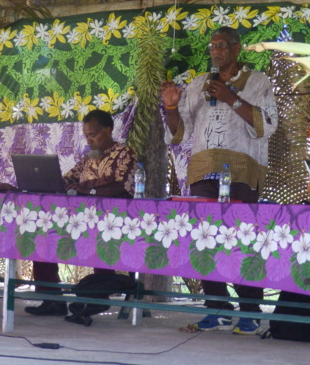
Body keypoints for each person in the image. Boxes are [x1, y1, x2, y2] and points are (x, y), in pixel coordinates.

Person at [161, 26, 278, 335]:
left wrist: (231, 98)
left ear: (237, 49)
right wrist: (171, 107)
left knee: (241, 242)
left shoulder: (258, 83)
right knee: (203, 241)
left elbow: (267, 126)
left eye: (223, 45)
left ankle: (250, 313)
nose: (216, 50)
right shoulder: (200, 83)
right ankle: (217, 309)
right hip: (202, 170)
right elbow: (178, 133)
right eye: (212, 45)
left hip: (241, 170)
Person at [22, 109, 138, 316]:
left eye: (93, 135)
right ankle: (52, 300)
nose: (89, 140)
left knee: (101, 239)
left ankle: (98, 298)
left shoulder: (125, 153)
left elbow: (120, 187)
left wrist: (88, 189)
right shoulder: (87, 159)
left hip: (111, 223)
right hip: (80, 220)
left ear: (108, 130)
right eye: (86, 136)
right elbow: (65, 180)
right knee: (43, 237)